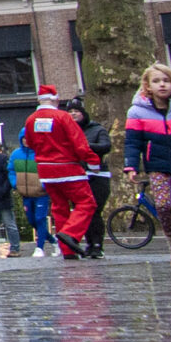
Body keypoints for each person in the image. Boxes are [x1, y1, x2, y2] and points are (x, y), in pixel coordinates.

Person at [26, 87, 98, 258]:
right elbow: (79, 143)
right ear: (56, 100)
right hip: (68, 168)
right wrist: (93, 161)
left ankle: (68, 251)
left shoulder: (30, 120)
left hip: (45, 170)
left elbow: (30, 143)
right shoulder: (63, 117)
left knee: (59, 208)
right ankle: (71, 233)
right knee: (87, 203)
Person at [123, 63, 171, 268]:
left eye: (166, 81)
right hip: (157, 166)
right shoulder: (137, 111)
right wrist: (131, 166)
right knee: (164, 206)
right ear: (147, 86)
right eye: (157, 81)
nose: (162, 85)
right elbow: (132, 141)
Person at [71, 96, 113, 259]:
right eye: (70, 112)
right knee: (82, 211)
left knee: (94, 210)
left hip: (97, 176)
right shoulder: (67, 130)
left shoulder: (97, 129)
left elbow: (106, 146)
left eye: (76, 111)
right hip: (76, 176)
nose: (73, 114)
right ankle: (88, 243)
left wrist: (86, 147)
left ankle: (97, 245)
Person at [12, 134, 52, 256]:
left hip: (41, 194)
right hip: (26, 194)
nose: (26, 141)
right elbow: (11, 171)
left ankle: (39, 247)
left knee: (40, 219)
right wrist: (15, 184)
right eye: (24, 138)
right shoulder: (16, 154)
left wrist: (44, 185)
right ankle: (53, 241)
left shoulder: (42, 153)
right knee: (32, 220)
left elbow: (49, 170)